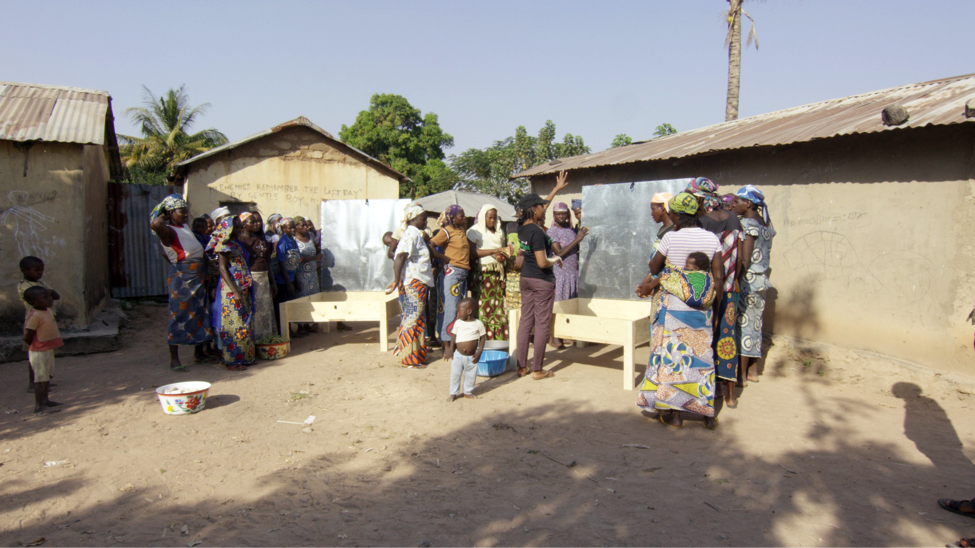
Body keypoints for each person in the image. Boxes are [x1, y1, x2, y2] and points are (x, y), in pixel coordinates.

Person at [635, 192, 724, 430]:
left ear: (676, 215)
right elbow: (718, 276)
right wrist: (716, 308)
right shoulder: (712, 239)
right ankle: (707, 413)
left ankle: (674, 414)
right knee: (702, 359)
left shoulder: (671, 238)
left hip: (674, 306)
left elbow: (654, 266)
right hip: (702, 308)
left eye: (672, 213)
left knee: (674, 359)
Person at [687, 177, 743, 408]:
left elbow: (703, 263)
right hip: (731, 289)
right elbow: (739, 258)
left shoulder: (702, 223)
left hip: (709, 289)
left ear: (700, 198)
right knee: (727, 337)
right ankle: (730, 394)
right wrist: (734, 280)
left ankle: (711, 391)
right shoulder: (733, 218)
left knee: (705, 339)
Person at [150, 194, 213, 371]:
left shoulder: (183, 227)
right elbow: (155, 224)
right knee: (179, 314)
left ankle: (199, 353)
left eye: (187, 212)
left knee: (200, 312)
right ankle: (174, 359)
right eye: (181, 212)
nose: (186, 215)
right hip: (184, 278)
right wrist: (163, 212)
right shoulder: (167, 230)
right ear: (170, 213)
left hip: (198, 274)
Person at [515, 193, 564, 380]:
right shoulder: (536, 232)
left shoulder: (522, 229)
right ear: (534, 209)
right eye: (542, 206)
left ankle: (521, 367)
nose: (545, 208)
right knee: (542, 324)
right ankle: (537, 370)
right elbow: (543, 263)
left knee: (525, 321)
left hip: (526, 278)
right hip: (541, 280)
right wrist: (556, 258)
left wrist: (556, 188)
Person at [731, 185, 776, 385]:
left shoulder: (748, 224)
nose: (734, 205)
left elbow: (745, 259)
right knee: (755, 325)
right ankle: (753, 371)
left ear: (748, 203)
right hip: (762, 280)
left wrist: (737, 281)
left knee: (743, 326)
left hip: (748, 280)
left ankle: (740, 376)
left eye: (737, 202)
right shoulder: (767, 224)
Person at [386, 202, 435, 368]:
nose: (426, 222)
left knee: (417, 317)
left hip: (418, 281)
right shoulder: (411, 234)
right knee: (412, 318)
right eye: (423, 219)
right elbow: (399, 257)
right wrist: (396, 280)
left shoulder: (415, 233)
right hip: (414, 281)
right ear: (413, 218)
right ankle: (408, 358)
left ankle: (417, 355)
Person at [207, 216, 256, 369]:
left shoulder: (236, 243)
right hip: (231, 291)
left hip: (242, 289)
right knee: (233, 325)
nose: (239, 229)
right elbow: (223, 269)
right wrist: (235, 291)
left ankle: (244, 356)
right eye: (236, 226)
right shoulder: (224, 244)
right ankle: (232, 361)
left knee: (243, 323)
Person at [467, 204, 512, 340]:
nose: (492, 221)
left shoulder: (499, 232)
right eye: (489, 218)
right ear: (483, 217)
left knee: (496, 305)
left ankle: (496, 338)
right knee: (483, 304)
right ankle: (481, 338)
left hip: (497, 272)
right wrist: (493, 251)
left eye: (494, 218)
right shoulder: (474, 231)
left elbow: (502, 248)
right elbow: (472, 252)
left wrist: (503, 253)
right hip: (482, 273)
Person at [18, 256, 59, 392]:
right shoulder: (24, 286)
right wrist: (48, 293)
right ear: (24, 270)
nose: (40, 273)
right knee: (34, 356)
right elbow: (35, 296)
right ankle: (33, 383)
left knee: (46, 354)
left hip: (45, 322)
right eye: (36, 270)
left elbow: (55, 296)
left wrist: (49, 293)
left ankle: (43, 381)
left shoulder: (41, 284)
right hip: (34, 323)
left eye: (41, 270)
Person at [430, 205, 471, 344]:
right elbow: (431, 245)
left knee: (459, 309)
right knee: (450, 308)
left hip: (462, 274)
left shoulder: (460, 230)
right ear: (452, 218)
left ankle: (455, 341)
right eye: (461, 216)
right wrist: (444, 258)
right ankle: (447, 343)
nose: (464, 218)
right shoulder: (446, 231)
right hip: (451, 274)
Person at [238, 212, 277, 340]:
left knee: (265, 309)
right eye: (252, 222)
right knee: (255, 309)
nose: (256, 224)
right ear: (243, 224)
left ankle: (266, 337)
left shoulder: (260, 240)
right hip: (252, 278)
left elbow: (267, 262)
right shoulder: (241, 241)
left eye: (256, 222)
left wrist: (272, 282)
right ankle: (255, 339)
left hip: (264, 277)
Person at [23, 287, 63, 414]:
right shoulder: (35, 316)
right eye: (45, 298)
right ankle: (39, 406)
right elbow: (27, 334)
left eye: (49, 296)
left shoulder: (47, 311)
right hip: (39, 350)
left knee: (46, 376)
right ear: (34, 303)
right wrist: (35, 345)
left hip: (47, 349)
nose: (50, 299)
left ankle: (45, 400)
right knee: (40, 378)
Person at [443, 297, 486, 401]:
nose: (458, 313)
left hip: (472, 357)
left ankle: (467, 392)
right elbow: (453, 337)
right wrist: (451, 350)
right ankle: (453, 393)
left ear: (469, 311)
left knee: (471, 375)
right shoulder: (458, 323)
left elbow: (483, 338)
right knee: (455, 374)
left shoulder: (478, 324)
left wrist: (479, 352)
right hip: (458, 355)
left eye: (460, 311)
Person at [640, 252, 716, 310]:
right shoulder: (709, 276)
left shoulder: (680, 274)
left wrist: (649, 286)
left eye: (687, 266)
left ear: (695, 268)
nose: (684, 267)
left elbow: (665, 276)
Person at [293, 216, 323, 334]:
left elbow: (315, 249)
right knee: (302, 299)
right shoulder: (294, 240)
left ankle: (309, 323)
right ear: (296, 226)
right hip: (301, 274)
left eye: (306, 225)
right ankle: (301, 325)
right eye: (302, 225)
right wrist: (314, 258)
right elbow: (298, 259)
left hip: (312, 274)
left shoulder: (309, 236)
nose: (306, 227)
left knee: (312, 297)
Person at [273, 218, 301, 332]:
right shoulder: (283, 242)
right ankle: (285, 332)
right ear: (283, 229)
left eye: (294, 227)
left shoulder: (293, 241)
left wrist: (295, 279)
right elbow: (282, 264)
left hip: (291, 278)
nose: (293, 229)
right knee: (283, 308)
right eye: (290, 227)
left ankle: (291, 331)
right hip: (283, 282)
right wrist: (289, 283)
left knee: (290, 307)